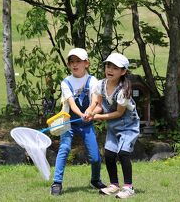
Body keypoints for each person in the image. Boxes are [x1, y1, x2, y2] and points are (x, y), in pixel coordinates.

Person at [50, 48, 106, 196]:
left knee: (95, 157)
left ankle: (95, 180)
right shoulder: (65, 82)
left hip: (86, 123)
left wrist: (90, 112)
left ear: (86, 63)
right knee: (64, 148)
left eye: (78, 61)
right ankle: (57, 183)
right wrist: (82, 113)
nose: (75, 65)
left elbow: (95, 101)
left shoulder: (93, 81)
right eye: (71, 62)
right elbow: (72, 104)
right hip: (68, 122)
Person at [87, 53, 140, 199]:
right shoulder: (100, 85)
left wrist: (98, 117)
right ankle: (114, 185)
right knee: (109, 154)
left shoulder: (123, 91)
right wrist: (90, 112)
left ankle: (129, 187)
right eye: (108, 65)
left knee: (123, 153)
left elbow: (118, 113)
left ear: (123, 72)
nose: (110, 69)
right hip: (113, 126)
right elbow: (98, 105)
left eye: (115, 67)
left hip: (128, 126)